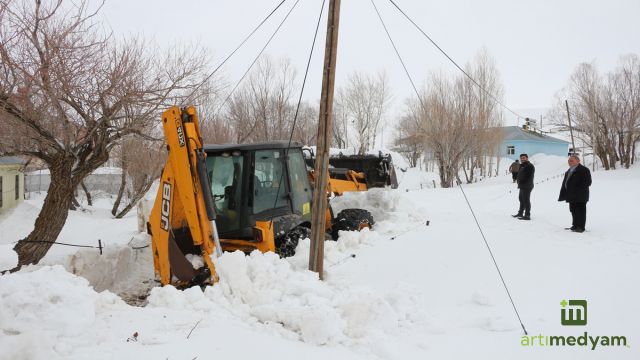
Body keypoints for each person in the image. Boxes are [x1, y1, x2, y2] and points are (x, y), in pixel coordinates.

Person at [558, 155, 592, 233]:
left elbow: (587, 182)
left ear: (578, 161)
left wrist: (576, 189)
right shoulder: (569, 171)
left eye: (571, 160)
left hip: (580, 195)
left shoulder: (584, 170)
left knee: (580, 211)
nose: (569, 162)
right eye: (569, 160)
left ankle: (581, 227)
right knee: (573, 210)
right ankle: (575, 225)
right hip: (571, 195)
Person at [512, 153, 534, 220]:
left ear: (527, 158)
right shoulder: (522, 165)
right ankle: (520, 213)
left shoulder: (529, 166)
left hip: (527, 186)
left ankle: (527, 215)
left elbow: (528, 176)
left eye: (523, 158)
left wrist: (522, 182)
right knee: (521, 199)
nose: (522, 159)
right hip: (522, 185)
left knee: (526, 200)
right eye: (521, 158)